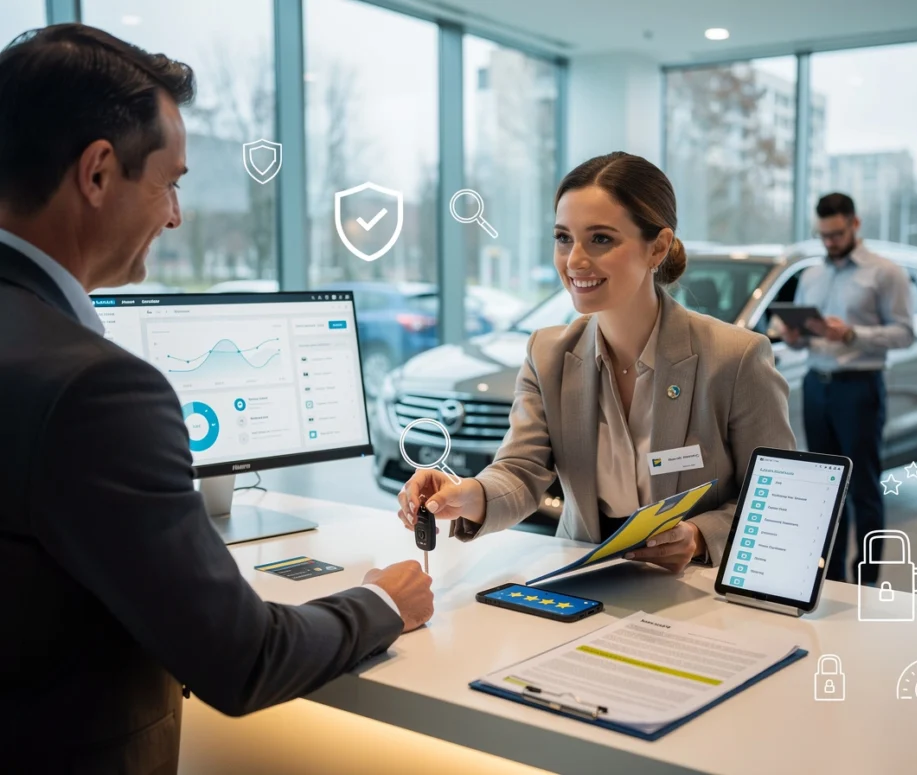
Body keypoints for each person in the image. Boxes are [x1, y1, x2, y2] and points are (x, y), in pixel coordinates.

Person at [0, 24, 433, 772]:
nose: (174, 216)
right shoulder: (96, 387)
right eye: (170, 183)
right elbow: (242, 659)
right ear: (98, 173)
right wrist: (383, 602)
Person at [398, 152, 795, 570]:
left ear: (657, 247)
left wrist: (699, 537)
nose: (574, 261)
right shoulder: (547, 354)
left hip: (697, 587)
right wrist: (467, 494)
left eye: (601, 239)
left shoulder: (735, 357)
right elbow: (521, 471)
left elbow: (778, 501)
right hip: (585, 575)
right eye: (563, 238)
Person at [779, 193, 914, 583]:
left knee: (864, 489)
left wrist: (851, 333)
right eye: (823, 235)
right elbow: (804, 339)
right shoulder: (811, 276)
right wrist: (794, 335)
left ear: (855, 224)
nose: (830, 242)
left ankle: (867, 579)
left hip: (860, 388)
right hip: (816, 387)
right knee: (826, 490)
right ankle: (831, 577)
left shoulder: (885, 273)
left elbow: (905, 334)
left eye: (836, 234)